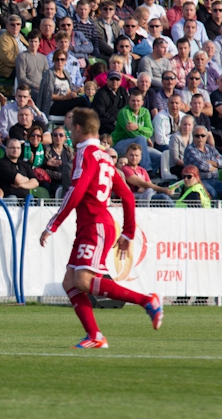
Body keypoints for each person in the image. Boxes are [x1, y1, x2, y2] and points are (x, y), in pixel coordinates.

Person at [39, 108, 163, 349]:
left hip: (95, 225)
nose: (67, 132)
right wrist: (127, 232)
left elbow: (75, 191)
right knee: (70, 282)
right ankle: (95, 335)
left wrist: (53, 224)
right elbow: (127, 194)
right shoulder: (104, 156)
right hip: (92, 224)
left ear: (77, 128)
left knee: (84, 280)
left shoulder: (85, 154)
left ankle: (147, 300)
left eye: (69, 127)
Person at [183, 125, 222, 200]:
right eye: (197, 136)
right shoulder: (190, 150)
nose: (200, 138)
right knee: (212, 193)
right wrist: (215, 165)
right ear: (193, 137)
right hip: (200, 182)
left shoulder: (210, 148)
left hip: (215, 181)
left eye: (202, 136)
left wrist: (212, 164)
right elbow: (202, 165)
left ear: (206, 137)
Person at [112, 89, 161, 173]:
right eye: (133, 101)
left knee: (160, 157)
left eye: (138, 101)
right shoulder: (124, 112)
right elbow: (131, 133)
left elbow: (150, 131)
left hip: (139, 145)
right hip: (120, 144)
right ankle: (147, 169)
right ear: (129, 101)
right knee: (141, 138)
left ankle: (145, 176)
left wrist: (138, 127)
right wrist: (146, 137)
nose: (135, 103)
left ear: (142, 102)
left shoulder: (145, 112)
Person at [91, 71, 129, 135]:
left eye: (117, 79)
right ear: (107, 80)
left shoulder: (123, 91)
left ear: (120, 81)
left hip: (121, 122)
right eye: (112, 79)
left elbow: (127, 107)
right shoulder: (101, 94)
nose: (114, 81)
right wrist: (114, 121)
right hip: (106, 124)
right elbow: (100, 112)